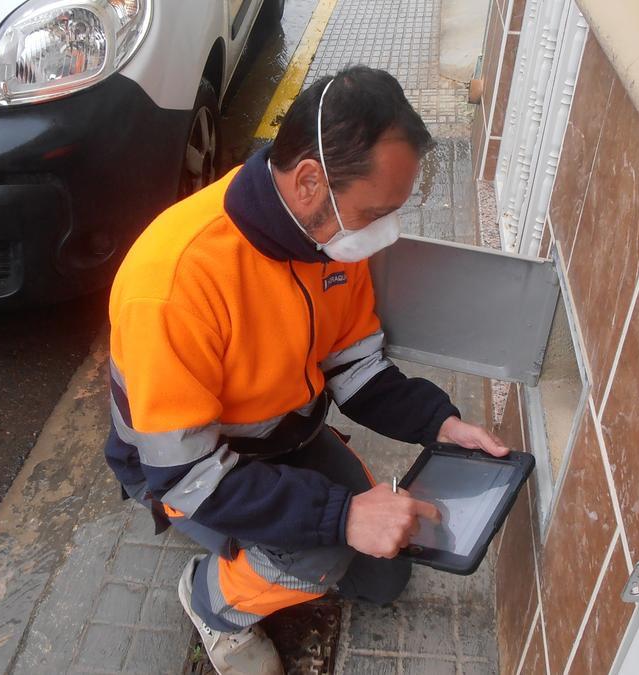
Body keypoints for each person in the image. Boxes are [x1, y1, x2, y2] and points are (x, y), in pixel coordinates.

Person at [104, 66, 508, 675]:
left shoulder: (327, 240)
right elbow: (184, 473)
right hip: (190, 471)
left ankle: (290, 542)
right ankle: (211, 602)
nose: (383, 231)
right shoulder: (175, 283)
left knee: (385, 575)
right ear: (310, 181)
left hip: (284, 437)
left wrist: (439, 424)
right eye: (376, 211)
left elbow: (356, 367)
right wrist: (341, 515)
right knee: (321, 556)